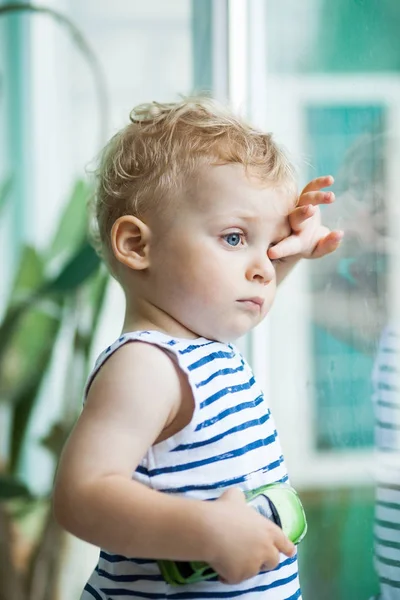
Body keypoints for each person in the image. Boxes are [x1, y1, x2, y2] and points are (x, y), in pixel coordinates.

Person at [53, 97, 343, 600]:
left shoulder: (203, 348)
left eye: (270, 245)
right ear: (138, 246)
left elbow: (246, 286)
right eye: (234, 238)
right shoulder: (146, 366)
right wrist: (207, 530)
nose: (263, 268)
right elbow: (81, 497)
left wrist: (288, 253)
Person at [310, 133, 400, 599]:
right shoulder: (386, 317)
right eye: (370, 200)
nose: (379, 222)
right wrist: (346, 220)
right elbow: (306, 289)